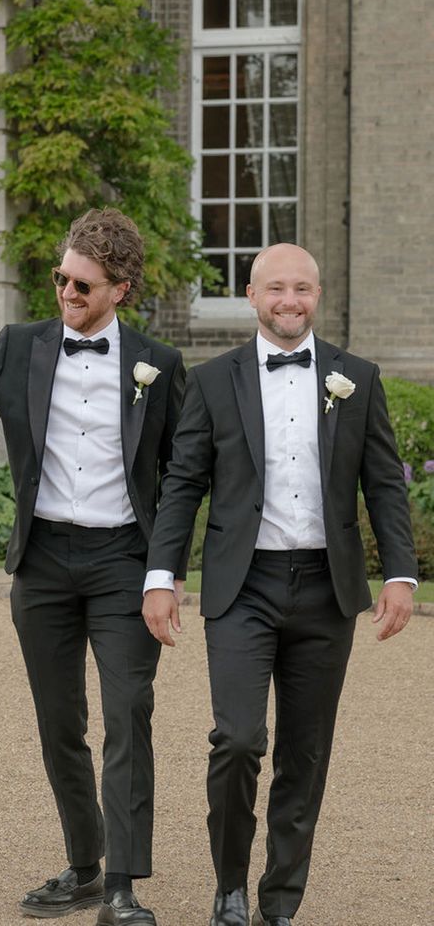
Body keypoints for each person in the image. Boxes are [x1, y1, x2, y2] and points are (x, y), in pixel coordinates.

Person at [142, 243, 416, 926]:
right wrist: (160, 575)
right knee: (237, 739)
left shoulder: (358, 378)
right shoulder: (212, 381)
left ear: (317, 295)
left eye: (302, 289)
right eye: (276, 289)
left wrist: (401, 574)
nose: (290, 301)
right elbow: (182, 486)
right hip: (244, 586)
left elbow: (384, 483)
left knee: (305, 750)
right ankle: (229, 886)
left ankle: (280, 902)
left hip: (327, 590)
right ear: (252, 294)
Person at [0, 207, 186, 925]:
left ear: (120, 288)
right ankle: (84, 864)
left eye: (82, 285)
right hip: (44, 561)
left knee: (128, 712)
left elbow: (181, 475)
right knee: (59, 722)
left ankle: (121, 885)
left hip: (123, 561)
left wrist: (163, 574)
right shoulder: (20, 346)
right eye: (61, 278)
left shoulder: (159, 365)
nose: (66, 293)